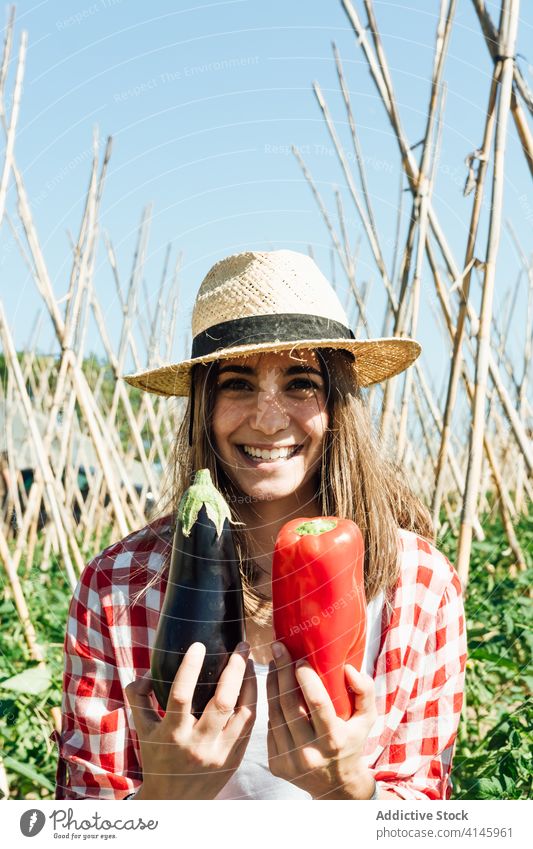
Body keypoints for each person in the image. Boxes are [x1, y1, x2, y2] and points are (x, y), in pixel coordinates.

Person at [54, 249, 467, 801]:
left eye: (300, 383)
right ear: (204, 403)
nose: (269, 419)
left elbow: (424, 813)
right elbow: (82, 817)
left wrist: (352, 796)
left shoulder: (419, 584)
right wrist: (164, 802)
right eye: (238, 384)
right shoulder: (119, 585)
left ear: (337, 404)